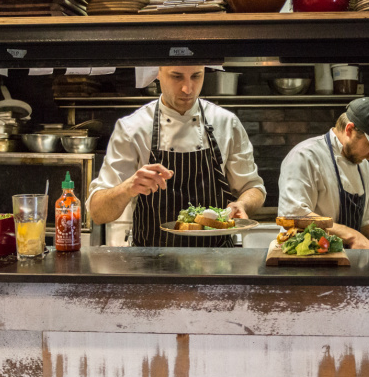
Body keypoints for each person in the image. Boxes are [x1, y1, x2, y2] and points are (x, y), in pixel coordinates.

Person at [86, 66, 265, 247]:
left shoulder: (226, 123)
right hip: (151, 261)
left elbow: (253, 188)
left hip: (217, 260)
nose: (188, 89)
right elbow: (98, 213)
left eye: (196, 76)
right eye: (177, 76)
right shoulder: (132, 128)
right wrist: (127, 188)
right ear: (157, 73)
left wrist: (243, 204)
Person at [278, 97, 369, 250]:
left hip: (351, 261)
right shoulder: (305, 156)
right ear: (349, 130)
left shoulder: (363, 164)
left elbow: (366, 224)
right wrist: (352, 236)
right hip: (310, 260)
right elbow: (293, 216)